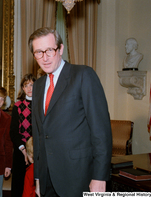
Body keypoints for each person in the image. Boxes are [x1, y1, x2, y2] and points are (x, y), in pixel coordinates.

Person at [29, 27, 112, 197]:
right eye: (38, 52)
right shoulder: (37, 86)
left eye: (49, 50)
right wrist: (38, 177)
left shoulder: (83, 75)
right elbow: (38, 135)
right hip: (47, 179)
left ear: (60, 49)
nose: (44, 58)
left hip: (78, 176)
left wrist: (100, 176)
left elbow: (101, 131)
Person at [10, 73, 36, 197]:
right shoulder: (17, 106)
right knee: (18, 185)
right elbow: (13, 132)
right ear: (23, 88)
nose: (29, 88)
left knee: (35, 186)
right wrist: (23, 149)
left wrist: (32, 149)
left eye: (32, 85)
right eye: (26, 85)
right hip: (20, 149)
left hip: (37, 150)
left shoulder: (41, 104)